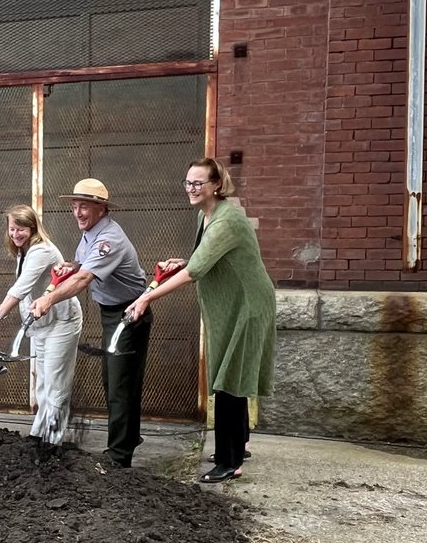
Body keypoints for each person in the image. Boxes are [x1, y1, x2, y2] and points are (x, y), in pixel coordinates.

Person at [127, 157, 276, 483]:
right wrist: (182, 262)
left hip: (247, 305)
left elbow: (196, 271)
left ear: (216, 186)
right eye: (188, 182)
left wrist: (147, 296)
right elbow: (200, 259)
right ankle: (239, 446)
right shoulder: (205, 215)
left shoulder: (226, 220)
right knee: (228, 375)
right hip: (228, 306)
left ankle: (229, 461)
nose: (191, 189)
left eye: (198, 183)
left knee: (228, 381)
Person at [31, 178, 150, 468]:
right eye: (74, 206)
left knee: (120, 384)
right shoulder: (91, 234)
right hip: (112, 311)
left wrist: (49, 299)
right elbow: (82, 267)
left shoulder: (110, 239)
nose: (78, 213)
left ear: (101, 208)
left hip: (129, 312)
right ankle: (128, 439)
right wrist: (71, 265)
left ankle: (119, 457)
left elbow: (85, 279)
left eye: (84, 206)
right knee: (115, 381)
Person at [0, 205, 82, 445]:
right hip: (40, 324)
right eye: (12, 229)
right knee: (42, 383)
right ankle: (38, 437)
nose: (15, 234)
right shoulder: (23, 251)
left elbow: (20, 289)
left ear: (33, 228)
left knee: (55, 385)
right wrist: (3, 309)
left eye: (21, 229)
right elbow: (26, 291)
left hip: (61, 322)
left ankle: (53, 442)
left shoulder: (41, 251)